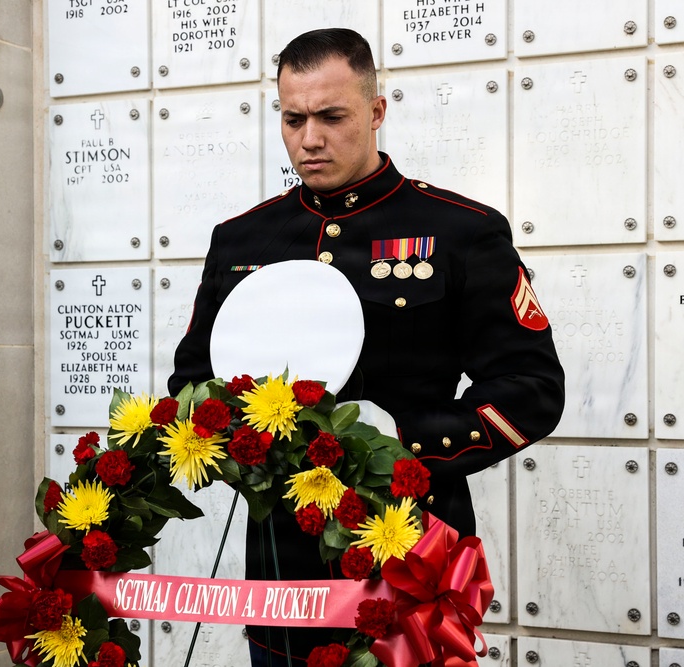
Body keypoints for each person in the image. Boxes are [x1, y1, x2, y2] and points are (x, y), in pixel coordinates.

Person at [168, 28, 565, 666]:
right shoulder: (242, 240)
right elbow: (191, 383)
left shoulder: (461, 232)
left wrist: (397, 439)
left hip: (409, 552)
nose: (310, 138)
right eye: (292, 118)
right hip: (282, 572)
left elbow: (531, 389)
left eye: (332, 116)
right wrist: (244, 451)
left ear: (376, 112)